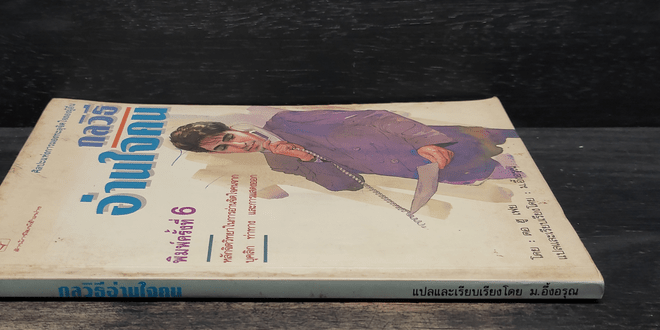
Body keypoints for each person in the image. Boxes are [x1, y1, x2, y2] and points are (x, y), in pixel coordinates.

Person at [170, 109, 517, 216]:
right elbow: (348, 184)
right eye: (224, 149)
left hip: (451, 142)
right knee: (515, 179)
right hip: (440, 173)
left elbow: (374, 117)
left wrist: (426, 141)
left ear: (234, 128)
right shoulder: (280, 164)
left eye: (229, 137)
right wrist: (306, 159)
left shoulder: (286, 121)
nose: (238, 145)